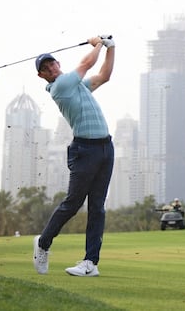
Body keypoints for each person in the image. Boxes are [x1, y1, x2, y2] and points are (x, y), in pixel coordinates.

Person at [33, 35, 116, 277]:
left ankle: (90, 262)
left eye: (52, 64)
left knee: (97, 208)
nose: (51, 68)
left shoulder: (77, 85)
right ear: (42, 76)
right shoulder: (60, 86)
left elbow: (104, 76)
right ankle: (43, 243)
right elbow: (87, 64)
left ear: (58, 63)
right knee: (73, 203)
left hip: (105, 148)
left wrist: (111, 47)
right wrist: (98, 42)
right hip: (85, 150)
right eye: (45, 69)